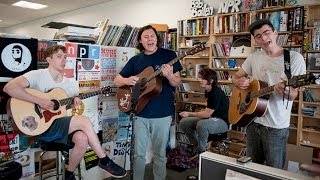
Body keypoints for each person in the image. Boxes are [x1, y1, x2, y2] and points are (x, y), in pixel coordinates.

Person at [3, 45, 127, 180]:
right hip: (41, 128)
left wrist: (74, 104)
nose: (64, 60)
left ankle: (69, 174)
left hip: (58, 125)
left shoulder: (70, 83)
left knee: (82, 138)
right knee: (84, 121)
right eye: (59, 56)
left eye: (65, 57)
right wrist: (39, 101)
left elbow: (61, 110)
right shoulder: (37, 75)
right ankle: (104, 160)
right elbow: (9, 88)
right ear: (49, 59)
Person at [232, 19, 306, 169]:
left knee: (273, 171)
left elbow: (293, 95)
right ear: (255, 40)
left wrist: (286, 90)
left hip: (276, 126)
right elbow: (235, 77)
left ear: (276, 33)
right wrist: (238, 82)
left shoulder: (293, 59)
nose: (264, 39)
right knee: (252, 167)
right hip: (252, 120)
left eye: (267, 33)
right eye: (258, 36)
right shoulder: (254, 57)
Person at [113, 25, 182, 180]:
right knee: (138, 154)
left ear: (157, 38)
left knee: (160, 154)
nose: (150, 39)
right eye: (146, 36)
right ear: (140, 40)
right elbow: (117, 80)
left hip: (163, 114)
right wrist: (127, 79)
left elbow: (177, 82)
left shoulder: (170, 55)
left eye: (152, 36)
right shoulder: (135, 60)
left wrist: (170, 76)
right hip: (140, 113)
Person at [179, 68, 229, 154]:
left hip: (222, 122)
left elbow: (206, 114)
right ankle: (196, 145)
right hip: (211, 118)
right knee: (184, 122)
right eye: (200, 78)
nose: (200, 80)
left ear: (211, 80)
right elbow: (208, 110)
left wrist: (189, 113)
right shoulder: (208, 91)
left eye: (203, 79)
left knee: (202, 125)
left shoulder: (215, 93)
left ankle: (202, 152)